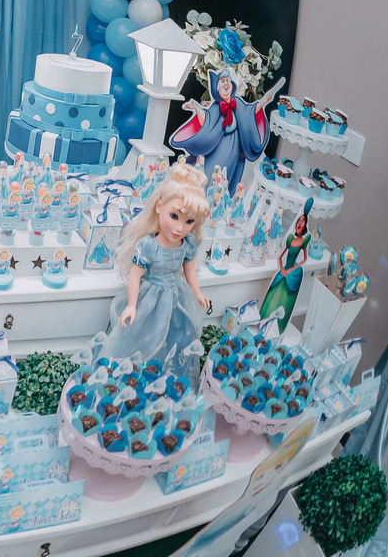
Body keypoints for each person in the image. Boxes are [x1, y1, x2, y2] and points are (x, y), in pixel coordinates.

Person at [100, 163, 212, 381]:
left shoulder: (187, 242)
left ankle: (164, 381)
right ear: (159, 207)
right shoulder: (149, 245)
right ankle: (134, 379)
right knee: (143, 339)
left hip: (177, 299)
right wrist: (132, 305)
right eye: (174, 216)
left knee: (175, 338)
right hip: (150, 299)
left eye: (189, 221)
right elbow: (135, 278)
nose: (180, 228)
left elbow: (189, 271)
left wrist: (197, 293)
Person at [170, 69, 278, 193]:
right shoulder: (216, 107)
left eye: (227, 80)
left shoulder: (237, 102)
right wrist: (197, 108)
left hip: (235, 152)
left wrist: (264, 101)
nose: (226, 83)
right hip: (218, 150)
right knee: (210, 175)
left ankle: (220, 200)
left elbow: (250, 112)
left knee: (226, 180)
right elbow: (207, 121)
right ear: (216, 88)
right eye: (222, 81)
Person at [260, 200, 312, 332]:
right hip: (283, 271)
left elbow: (304, 259)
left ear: (305, 224)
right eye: (299, 221)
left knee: (285, 300)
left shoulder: (304, 241)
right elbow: (281, 256)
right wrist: (282, 269)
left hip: (292, 273)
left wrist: (291, 270)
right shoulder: (290, 239)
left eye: (303, 221)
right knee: (273, 297)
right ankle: (264, 322)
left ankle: (277, 327)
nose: (300, 223)